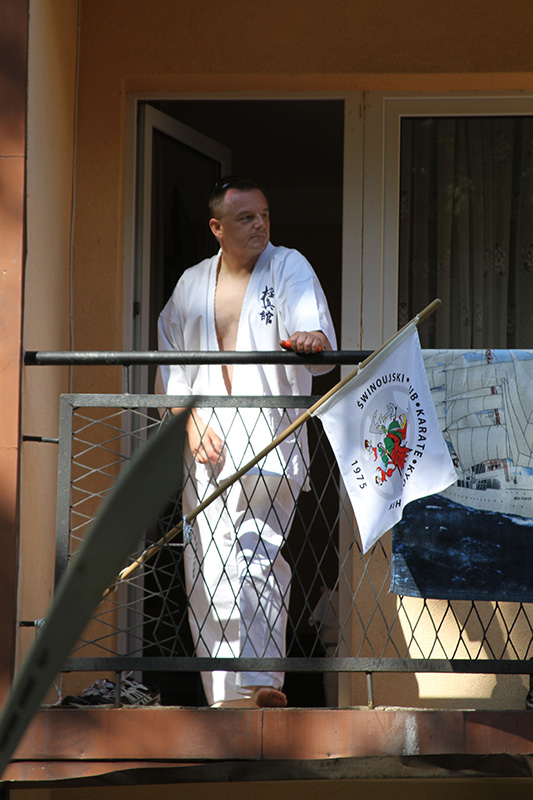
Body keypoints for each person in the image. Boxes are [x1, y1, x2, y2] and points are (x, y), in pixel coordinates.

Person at [158, 176, 336, 708]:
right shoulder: (191, 284)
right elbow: (171, 364)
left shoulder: (289, 267)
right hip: (207, 441)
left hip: (270, 437)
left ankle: (260, 682)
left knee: (256, 553)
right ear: (217, 227)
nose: (260, 225)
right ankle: (224, 700)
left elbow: (316, 337)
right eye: (245, 218)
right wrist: (189, 422)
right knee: (207, 569)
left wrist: (311, 339)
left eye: (264, 215)